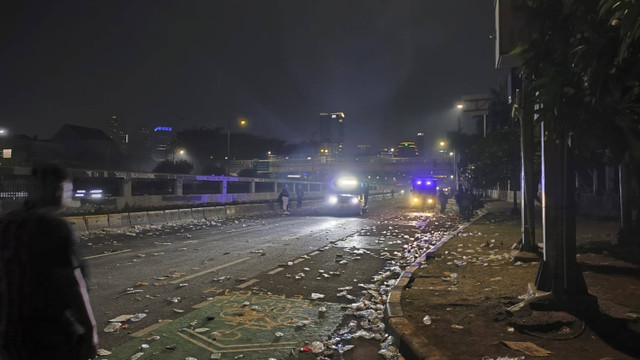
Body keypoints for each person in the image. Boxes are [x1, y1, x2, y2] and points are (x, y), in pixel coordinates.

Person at [0, 163, 98, 359]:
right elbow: (72, 285)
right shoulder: (54, 227)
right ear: (60, 189)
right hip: (49, 336)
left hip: (10, 336)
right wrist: (90, 331)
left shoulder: (6, 223)